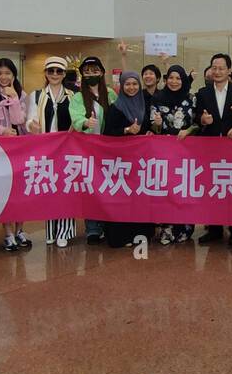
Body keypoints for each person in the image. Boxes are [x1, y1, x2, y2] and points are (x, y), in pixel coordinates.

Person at [193, 53, 232, 246]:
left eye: (221, 68)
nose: (217, 71)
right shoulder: (202, 93)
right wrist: (202, 120)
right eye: (214, 68)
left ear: (229, 71)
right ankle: (214, 229)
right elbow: (195, 117)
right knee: (212, 189)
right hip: (210, 150)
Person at [27, 57, 77, 248]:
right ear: (46, 73)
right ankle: (51, 230)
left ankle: (64, 231)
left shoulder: (73, 95)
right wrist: (31, 125)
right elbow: (29, 118)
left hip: (67, 150)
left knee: (66, 188)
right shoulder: (37, 95)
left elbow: (78, 119)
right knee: (49, 188)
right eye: (51, 71)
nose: (54, 75)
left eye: (59, 71)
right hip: (46, 149)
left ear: (64, 74)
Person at [102, 72, 155, 248]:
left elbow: (147, 128)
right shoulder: (115, 107)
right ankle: (121, 236)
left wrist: (149, 132)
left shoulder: (144, 105)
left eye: (134, 84)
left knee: (139, 197)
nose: (131, 87)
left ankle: (140, 234)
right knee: (121, 198)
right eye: (127, 84)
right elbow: (108, 134)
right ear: (122, 86)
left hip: (140, 163)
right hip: (121, 163)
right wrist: (126, 131)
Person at [70, 56, 117, 244]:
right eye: (87, 71)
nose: (91, 74)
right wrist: (84, 122)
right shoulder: (78, 97)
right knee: (90, 188)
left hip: (108, 150)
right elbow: (76, 117)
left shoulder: (111, 94)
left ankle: (107, 224)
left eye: (95, 71)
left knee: (106, 187)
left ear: (102, 72)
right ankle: (92, 229)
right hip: (87, 150)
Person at [0, 58, 31, 251]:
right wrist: (2, 131)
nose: (3, 77)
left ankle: (20, 229)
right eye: (0, 73)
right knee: (5, 191)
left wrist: (13, 99)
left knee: (20, 190)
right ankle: (8, 232)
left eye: (8, 73)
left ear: (14, 75)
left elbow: (20, 120)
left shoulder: (22, 95)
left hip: (20, 149)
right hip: (0, 151)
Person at [150, 64, 197, 244]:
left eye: (178, 78)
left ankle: (184, 228)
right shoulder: (157, 98)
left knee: (182, 189)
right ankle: (165, 229)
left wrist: (189, 130)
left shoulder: (191, 99)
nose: (174, 81)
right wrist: (156, 124)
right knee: (165, 189)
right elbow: (153, 127)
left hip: (185, 153)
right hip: (162, 153)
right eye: (171, 77)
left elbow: (198, 123)